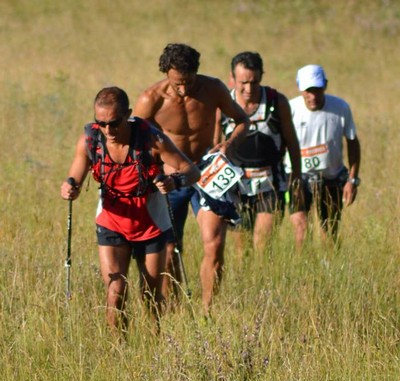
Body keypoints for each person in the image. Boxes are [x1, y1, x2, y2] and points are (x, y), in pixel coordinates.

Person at [60, 86, 200, 332]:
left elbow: (192, 171)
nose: (108, 130)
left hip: (151, 223)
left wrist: (174, 181)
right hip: (111, 221)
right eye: (101, 123)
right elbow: (76, 175)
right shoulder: (90, 140)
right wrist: (70, 186)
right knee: (115, 291)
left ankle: (155, 346)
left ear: (128, 115)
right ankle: (119, 352)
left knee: (150, 294)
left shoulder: (152, 140)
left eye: (114, 123)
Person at [134, 43, 249, 314]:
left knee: (215, 242)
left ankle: (208, 311)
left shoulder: (213, 89)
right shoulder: (150, 99)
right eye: (177, 84)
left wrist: (229, 143)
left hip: (208, 172)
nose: (184, 89)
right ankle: (175, 309)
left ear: (197, 72)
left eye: (188, 81)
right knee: (170, 249)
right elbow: (133, 141)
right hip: (171, 177)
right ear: (166, 73)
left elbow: (243, 120)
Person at [218, 51, 303, 251]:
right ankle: (245, 282)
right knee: (241, 250)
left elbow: (292, 143)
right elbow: (215, 145)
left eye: (254, 82)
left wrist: (296, 179)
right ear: (232, 79)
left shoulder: (276, 102)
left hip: (270, 184)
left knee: (262, 246)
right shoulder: (222, 105)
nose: (248, 89)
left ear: (262, 76)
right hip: (235, 185)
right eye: (243, 83)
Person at [287, 64, 361, 246]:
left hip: (331, 178)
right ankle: (300, 270)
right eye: (308, 91)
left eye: (317, 90)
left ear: (325, 85)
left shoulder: (341, 107)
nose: (313, 96)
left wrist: (352, 181)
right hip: (297, 178)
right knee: (301, 231)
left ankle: (328, 270)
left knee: (329, 233)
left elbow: (352, 142)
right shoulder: (290, 109)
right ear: (299, 88)